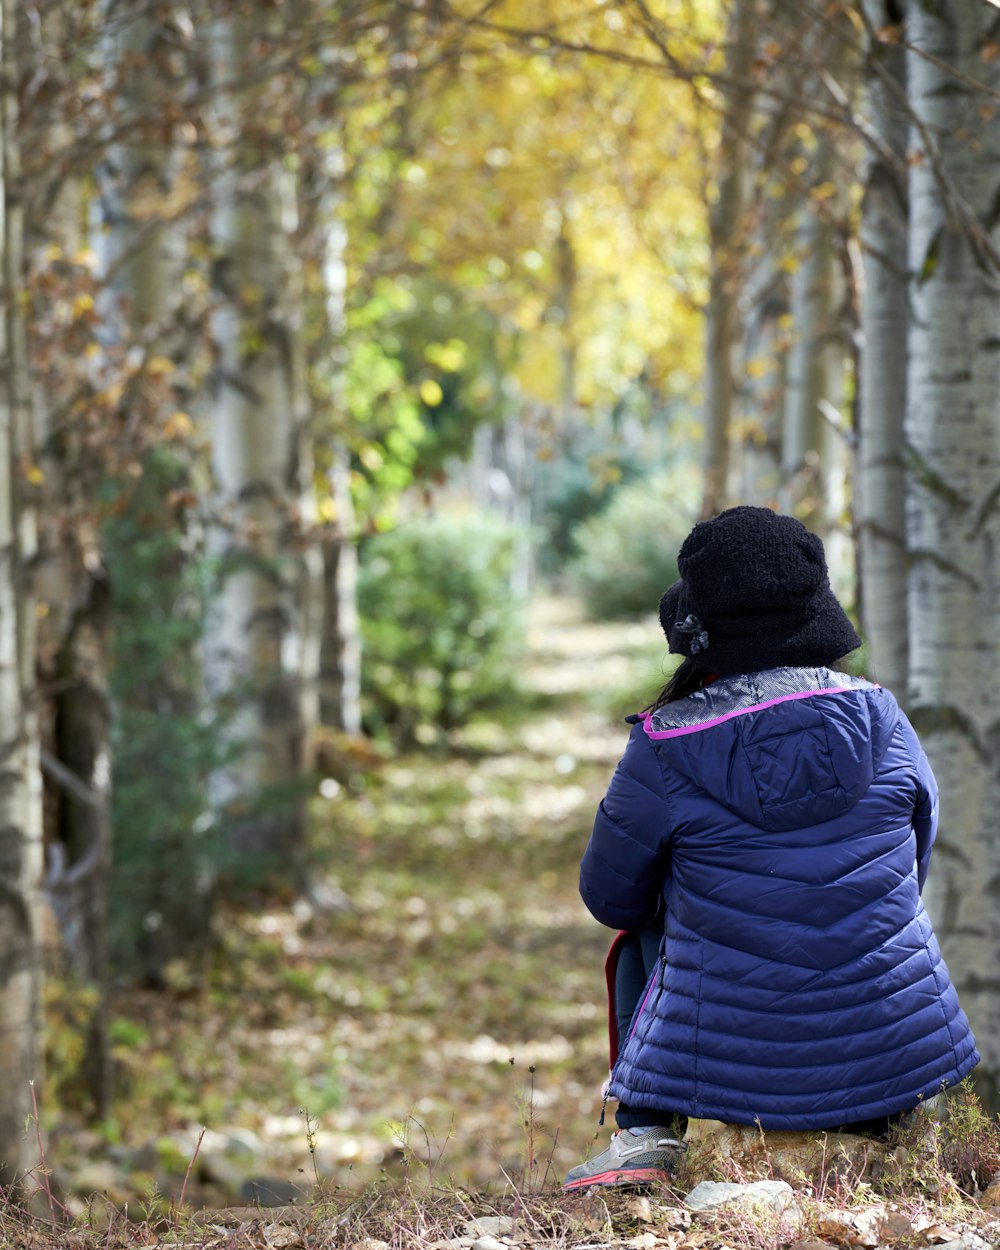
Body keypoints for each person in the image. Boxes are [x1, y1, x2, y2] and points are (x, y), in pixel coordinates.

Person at [562, 506, 979, 1192]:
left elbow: (610, 898)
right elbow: (915, 856)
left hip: (729, 1064)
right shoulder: (885, 718)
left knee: (640, 931)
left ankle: (647, 1134)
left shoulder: (665, 745)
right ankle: (905, 1123)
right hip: (892, 1061)